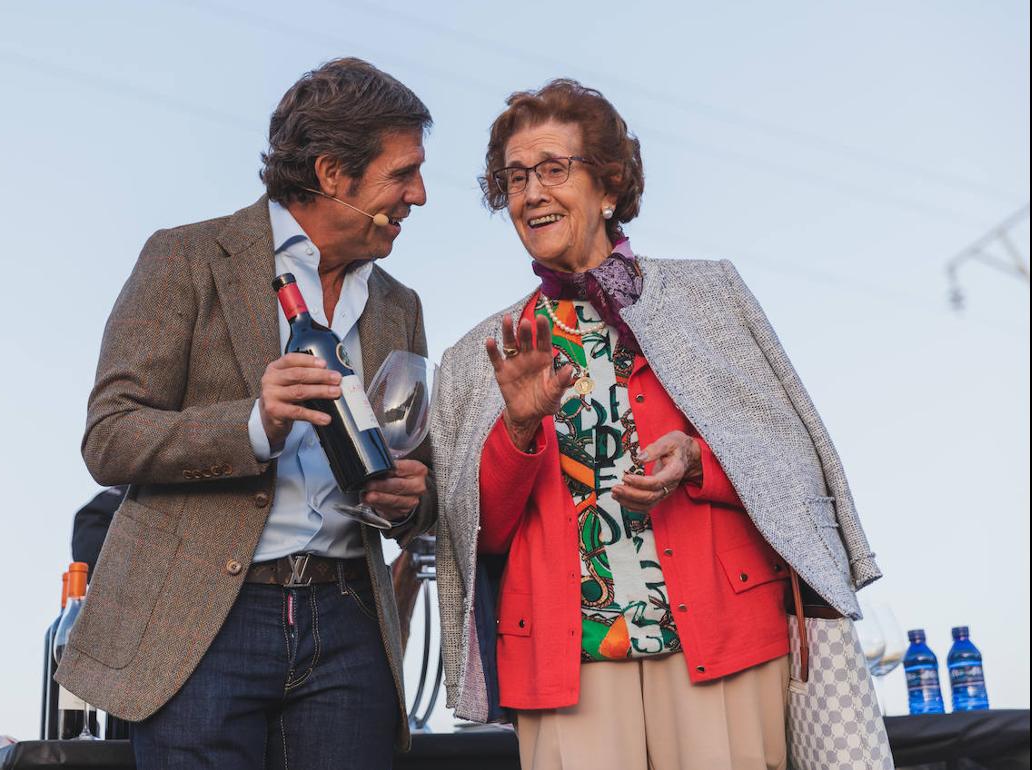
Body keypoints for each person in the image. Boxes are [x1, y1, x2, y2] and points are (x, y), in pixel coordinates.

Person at [432, 79, 883, 770]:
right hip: (567, 662)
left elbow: (791, 463)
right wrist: (519, 431)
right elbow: (474, 535)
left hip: (726, 640)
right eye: (515, 177)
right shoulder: (478, 357)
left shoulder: (710, 295)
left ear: (608, 184)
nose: (531, 193)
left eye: (554, 169)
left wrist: (699, 460)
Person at [56, 57, 436, 770]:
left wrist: (408, 499)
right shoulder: (186, 257)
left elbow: (424, 479)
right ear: (332, 173)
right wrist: (254, 422)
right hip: (201, 625)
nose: (418, 194)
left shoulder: (399, 304)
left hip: (349, 627)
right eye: (402, 173)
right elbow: (110, 435)